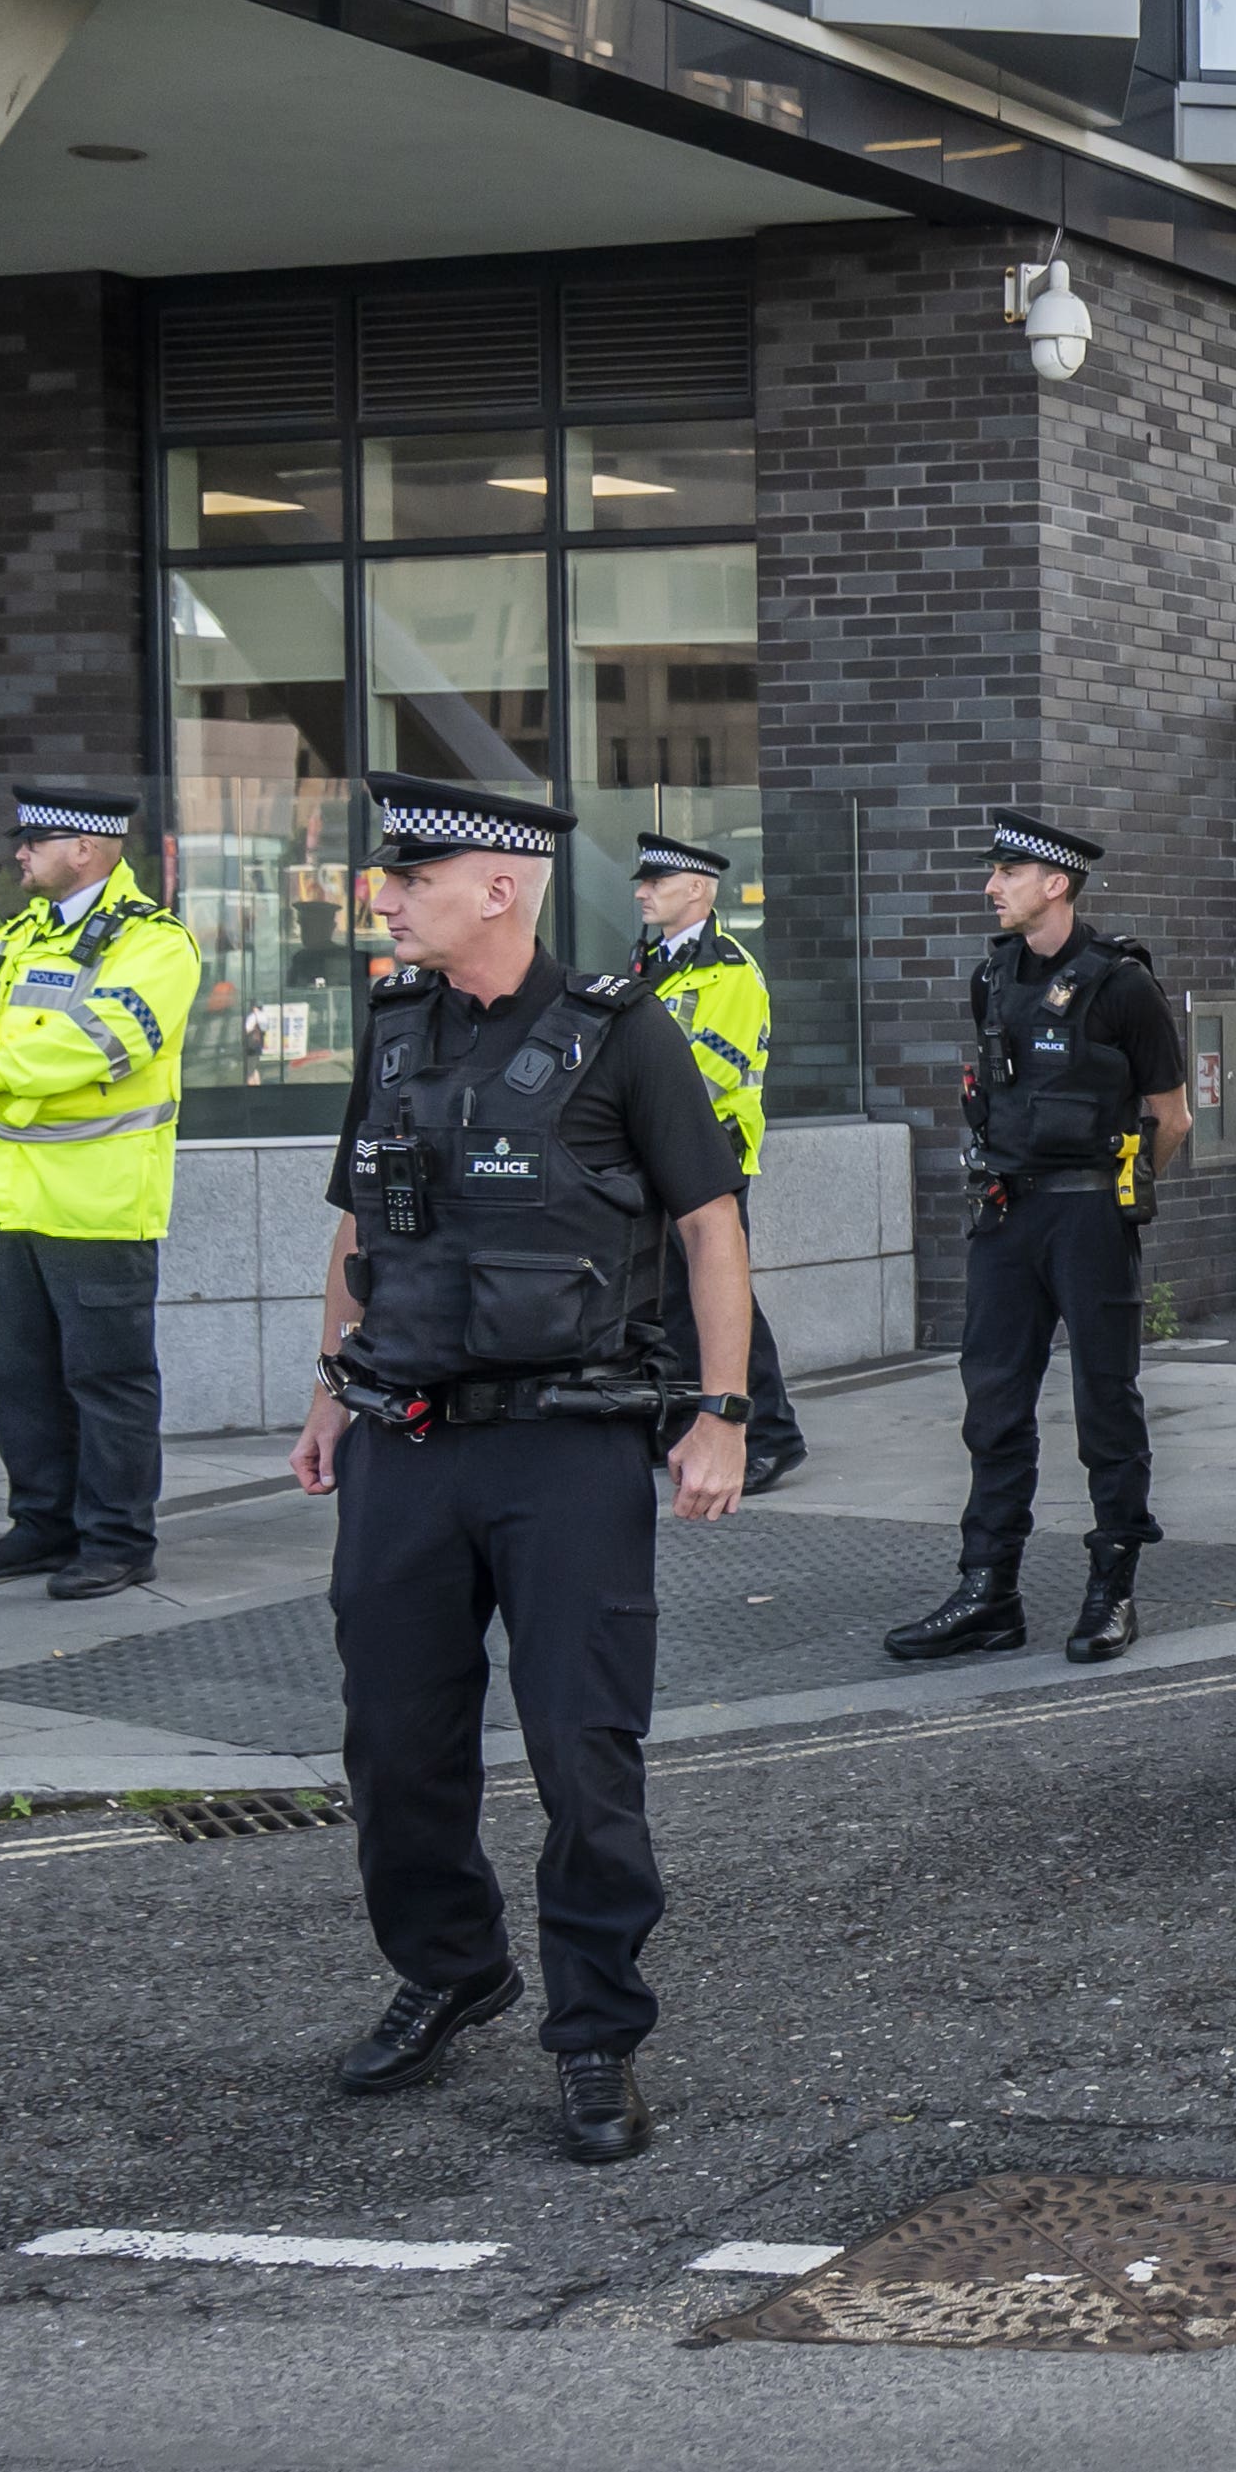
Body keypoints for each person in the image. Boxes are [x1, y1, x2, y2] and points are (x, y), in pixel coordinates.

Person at [287, 779, 756, 2166]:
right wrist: (327, 1392)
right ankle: (451, 1967)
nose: (384, 897)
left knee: (581, 1751)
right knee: (394, 1743)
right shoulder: (389, 1030)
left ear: (497, 886)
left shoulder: (624, 1037)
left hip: (566, 1450)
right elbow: (353, 1229)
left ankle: (597, 2031)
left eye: (410, 878)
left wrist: (719, 1411)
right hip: (405, 1444)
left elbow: (712, 1226)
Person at [889, 814, 1189, 1669]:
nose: (993, 885)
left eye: (1008, 871)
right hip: (1006, 1215)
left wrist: (1127, 1186)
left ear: (1056, 881)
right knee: (992, 1405)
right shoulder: (993, 975)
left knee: (1105, 1401)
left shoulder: (1122, 985)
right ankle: (989, 1589)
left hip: (1089, 1215)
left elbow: (1171, 1116)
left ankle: (1113, 1586)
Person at [0, 782, 200, 1597]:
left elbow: (102, 1042)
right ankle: (42, 1525)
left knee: (108, 1383)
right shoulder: (19, 934)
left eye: (34, 840)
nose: (20, 852)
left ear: (85, 848)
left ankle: (117, 1539)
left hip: (100, 1204)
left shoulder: (156, 944)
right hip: (16, 1199)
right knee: (22, 1380)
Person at [633, 833, 805, 1493]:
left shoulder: (729, 969)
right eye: (642, 882)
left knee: (725, 1299)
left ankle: (771, 1434)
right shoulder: (652, 961)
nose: (642, 891)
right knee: (674, 1298)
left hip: (711, 1155)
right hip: (662, 1155)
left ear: (698, 890)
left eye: (657, 880)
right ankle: (682, 1420)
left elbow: (709, 1070)